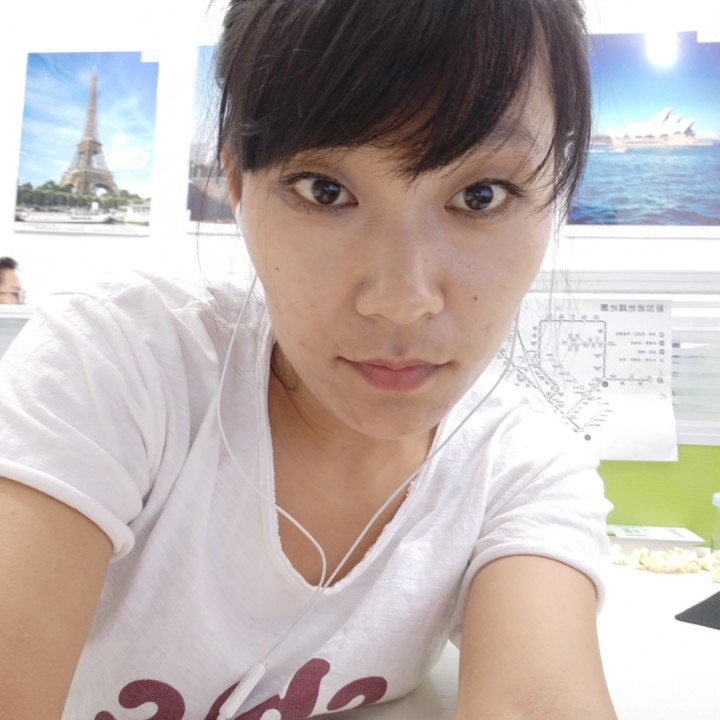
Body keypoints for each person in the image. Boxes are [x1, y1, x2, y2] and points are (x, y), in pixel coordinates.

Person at [0, 1, 618, 718]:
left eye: (482, 195)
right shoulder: (121, 365)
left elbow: (537, 699)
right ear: (237, 184)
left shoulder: (521, 465)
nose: (400, 299)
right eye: (326, 191)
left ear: (555, 199)